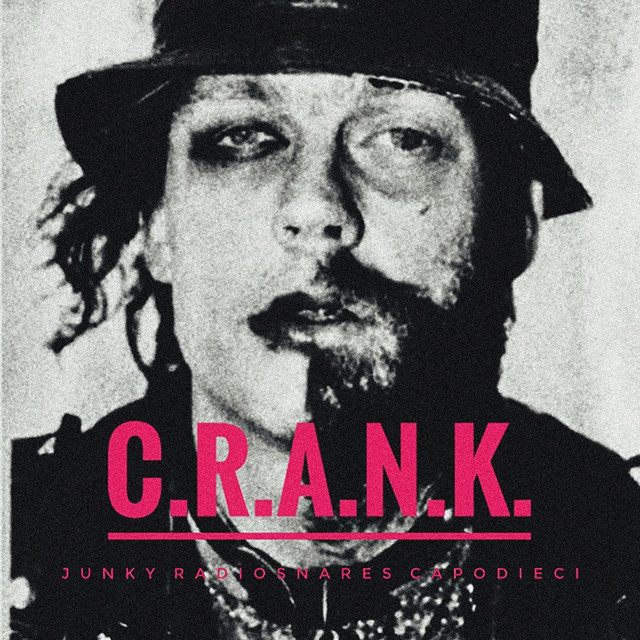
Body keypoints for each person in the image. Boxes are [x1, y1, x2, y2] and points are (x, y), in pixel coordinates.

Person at [10, 1, 640, 639]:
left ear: (511, 227)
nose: (314, 207)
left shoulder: (617, 560)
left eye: (404, 138)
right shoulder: (26, 551)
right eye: (242, 137)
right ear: (159, 226)